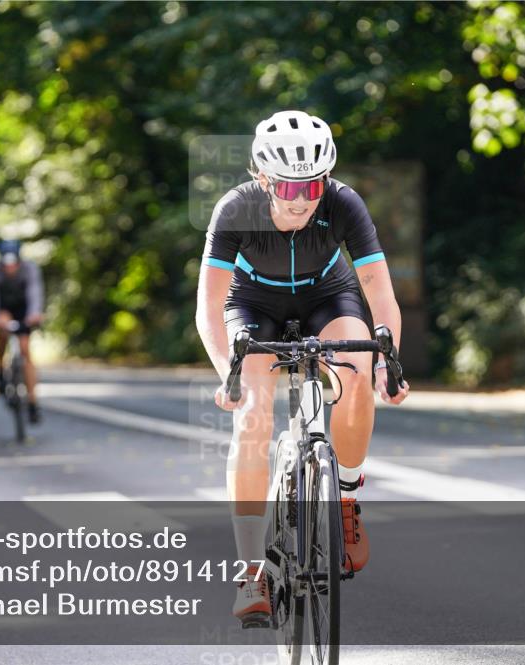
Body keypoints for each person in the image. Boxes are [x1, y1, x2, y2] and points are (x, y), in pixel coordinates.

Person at [195, 110, 410, 624]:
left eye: (314, 186)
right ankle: (252, 572)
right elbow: (208, 306)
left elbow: (379, 289)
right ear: (264, 179)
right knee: (252, 419)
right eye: (291, 189)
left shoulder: (343, 203)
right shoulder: (235, 210)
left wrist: (389, 362)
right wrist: (228, 370)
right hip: (254, 308)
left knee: (357, 374)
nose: (304, 200)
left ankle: (347, 498)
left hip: (326, 297)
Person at [0, 239, 45, 424]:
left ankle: (32, 402)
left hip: (23, 308)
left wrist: (35, 314)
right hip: (3, 309)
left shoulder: (30, 269)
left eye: (13, 263)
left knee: (26, 350)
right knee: (2, 329)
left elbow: (35, 294)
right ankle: (0, 369)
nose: (10, 268)